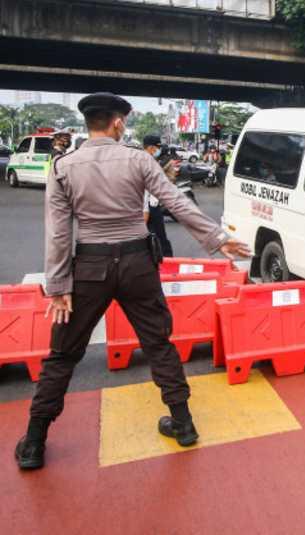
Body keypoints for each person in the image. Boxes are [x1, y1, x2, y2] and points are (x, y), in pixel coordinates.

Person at [14, 93, 251, 470]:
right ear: (118, 123)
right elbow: (176, 202)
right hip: (138, 263)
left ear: (89, 123)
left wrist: (59, 287)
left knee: (62, 354)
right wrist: (218, 239)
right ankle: (184, 424)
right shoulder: (138, 159)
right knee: (158, 343)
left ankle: (34, 442)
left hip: (89, 267)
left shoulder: (63, 166)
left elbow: (58, 234)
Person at [142, 134, 175, 257]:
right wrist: (145, 210)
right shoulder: (147, 162)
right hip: (149, 206)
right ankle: (167, 260)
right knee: (159, 236)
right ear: (151, 148)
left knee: (154, 235)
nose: (158, 150)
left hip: (150, 204)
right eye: (157, 147)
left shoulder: (148, 160)